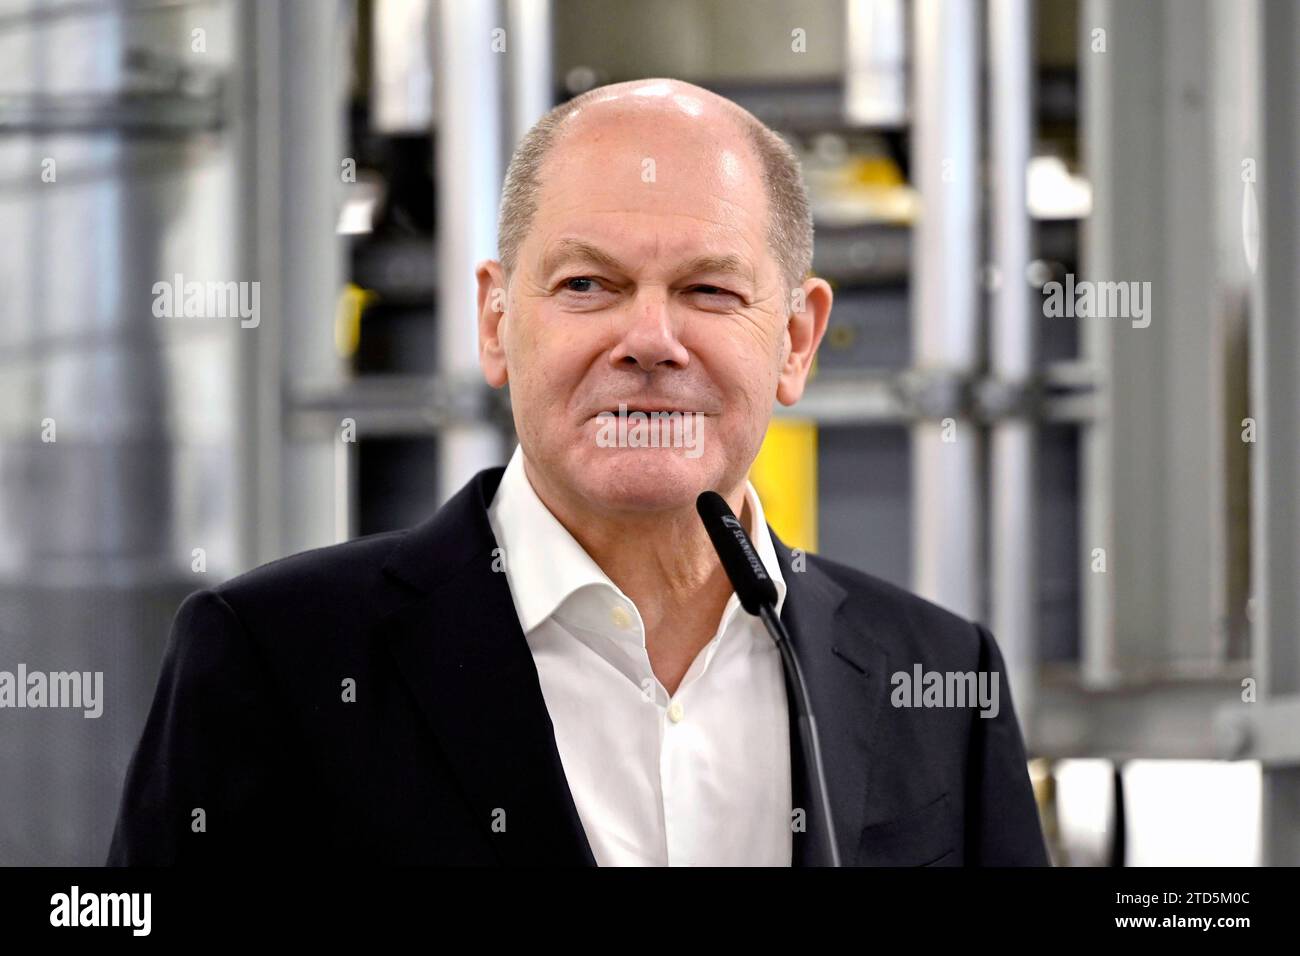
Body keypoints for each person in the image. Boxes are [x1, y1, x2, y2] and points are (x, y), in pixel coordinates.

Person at [107, 78, 1048, 866]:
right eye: (587, 285)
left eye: (708, 290)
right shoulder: (277, 659)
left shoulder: (937, 678)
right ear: (495, 322)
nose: (649, 340)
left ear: (796, 340)